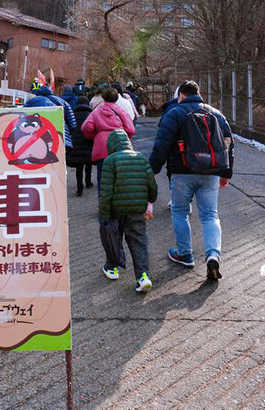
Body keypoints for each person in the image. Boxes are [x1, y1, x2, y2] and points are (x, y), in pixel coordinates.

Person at [149, 80, 234, 281]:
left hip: (182, 171)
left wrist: (152, 169)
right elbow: (229, 143)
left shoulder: (175, 113)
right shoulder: (216, 113)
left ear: (181, 95)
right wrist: (226, 173)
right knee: (210, 215)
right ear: (198, 94)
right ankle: (213, 254)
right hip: (211, 172)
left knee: (180, 212)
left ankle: (184, 253)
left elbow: (161, 144)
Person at [98, 129, 158, 293]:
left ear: (111, 145)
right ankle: (143, 276)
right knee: (138, 240)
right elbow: (152, 185)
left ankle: (112, 268)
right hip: (136, 210)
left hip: (116, 209)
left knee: (113, 238)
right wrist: (150, 200)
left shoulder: (110, 161)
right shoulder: (141, 158)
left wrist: (104, 214)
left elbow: (106, 192)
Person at [81, 87, 135, 195]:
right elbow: (131, 129)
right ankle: (117, 204)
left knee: (102, 178)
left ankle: (103, 205)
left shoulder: (96, 111)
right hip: (119, 146)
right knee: (118, 177)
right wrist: (124, 137)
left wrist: (96, 136)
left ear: (103, 98)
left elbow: (86, 127)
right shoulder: (121, 111)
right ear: (116, 98)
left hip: (101, 148)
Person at [25, 85, 77, 151]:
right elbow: (73, 125)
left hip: (37, 140)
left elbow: (22, 118)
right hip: (61, 139)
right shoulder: (63, 102)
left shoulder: (31, 101)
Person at [67, 95, 94, 196]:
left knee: (79, 166)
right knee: (88, 162)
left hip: (76, 142)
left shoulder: (73, 114)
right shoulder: (91, 114)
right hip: (88, 141)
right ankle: (88, 182)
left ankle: (79, 189)